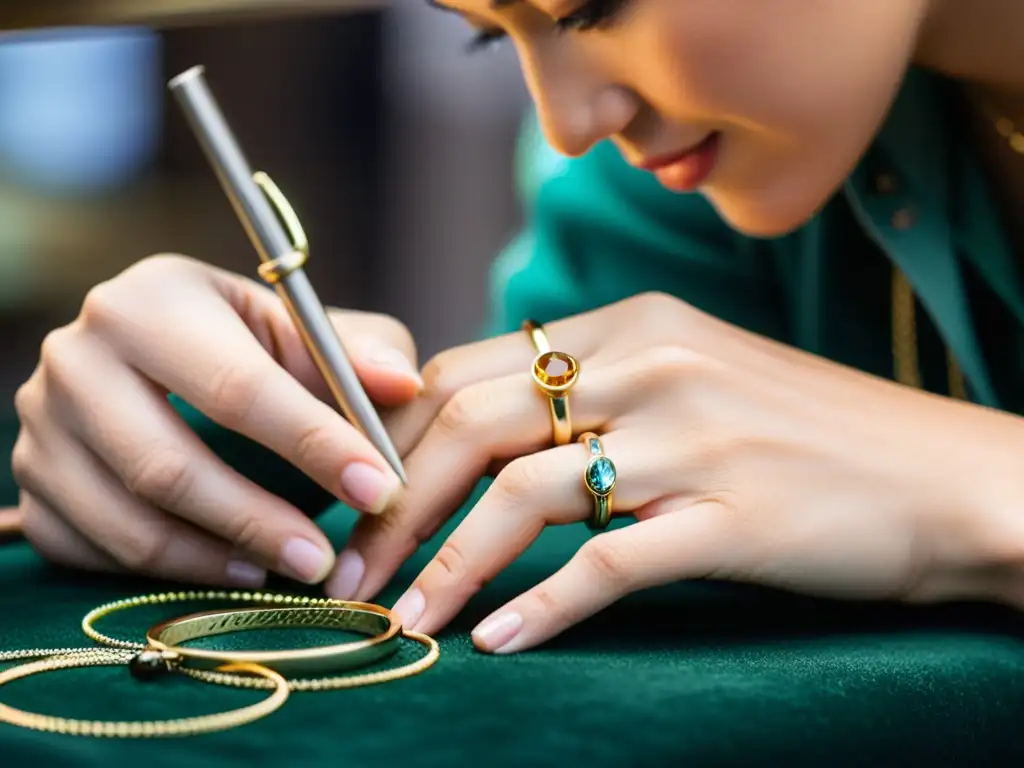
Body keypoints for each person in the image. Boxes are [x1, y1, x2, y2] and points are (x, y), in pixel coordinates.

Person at [10, 0, 1024, 657]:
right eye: (496, 31)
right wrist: (191, 427)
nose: (568, 125)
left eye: (592, 6)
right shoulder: (675, 184)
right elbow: (556, 472)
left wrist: (982, 485)